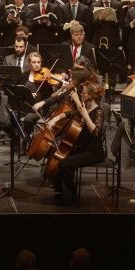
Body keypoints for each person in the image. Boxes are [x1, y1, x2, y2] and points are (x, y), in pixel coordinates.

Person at [45, 68, 106, 207]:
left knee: (65, 164)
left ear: (90, 96)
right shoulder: (84, 107)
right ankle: (61, 193)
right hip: (81, 148)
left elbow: (96, 132)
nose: (81, 94)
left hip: (93, 152)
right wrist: (55, 119)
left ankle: (71, 199)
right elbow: (70, 114)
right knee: (56, 153)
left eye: (84, 93)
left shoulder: (99, 111)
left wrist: (85, 115)